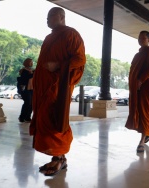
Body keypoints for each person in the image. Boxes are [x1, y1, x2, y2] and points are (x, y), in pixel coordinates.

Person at [30, 7, 86, 176]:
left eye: (50, 16)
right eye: (46, 16)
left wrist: (58, 65)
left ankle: (60, 158)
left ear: (61, 17)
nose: (47, 19)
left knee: (55, 119)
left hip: (57, 87)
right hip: (43, 88)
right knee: (44, 119)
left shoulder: (71, 34)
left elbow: (80, 59)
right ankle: (57, 157)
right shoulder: (49, 38)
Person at [125, 30, 149, 153]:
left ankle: (142, 141)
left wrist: (141, 79)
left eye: (143, 38)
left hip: (147, 88)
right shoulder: (137, 55)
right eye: (139, 38)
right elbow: (132, 70)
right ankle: (146, 133)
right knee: (140, 113)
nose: (140, 40)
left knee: (147, 113)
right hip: (137, 89)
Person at [18, 58, 34, 123]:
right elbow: (25, 78)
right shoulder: (24, 71)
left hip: (32, 89)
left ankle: (28, 117)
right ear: (27, 62)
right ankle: (22, 117)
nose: (31, 63)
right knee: (27, 103)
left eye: (32, 62)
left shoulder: (31, 70)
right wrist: (31, 74)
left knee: (31, 104)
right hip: (26, 89)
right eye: (30, 62)